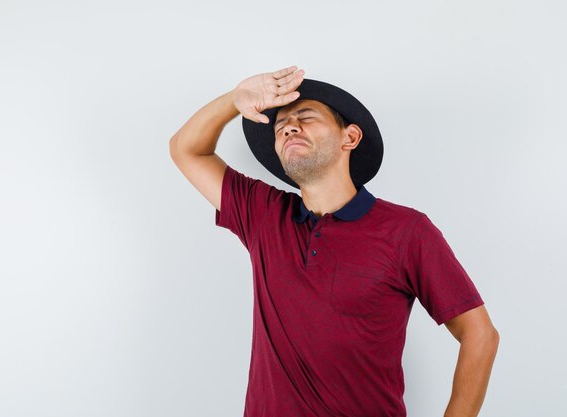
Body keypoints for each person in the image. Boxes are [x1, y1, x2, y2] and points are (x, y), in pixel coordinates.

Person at [169, 66, 499, 417]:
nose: (289, 127)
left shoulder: (407, 231)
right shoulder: (263, 214)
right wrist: (233, 100)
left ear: (350, 138)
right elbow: (186, 150)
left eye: (305, 117)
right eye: (280, 126)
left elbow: (480, 335)